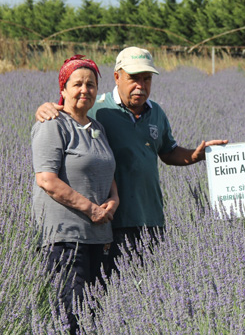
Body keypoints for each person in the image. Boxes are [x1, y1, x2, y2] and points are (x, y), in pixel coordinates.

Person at [36, 47, 227, 275]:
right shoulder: (97, 110)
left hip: (150, 218)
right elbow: (67, 113)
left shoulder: (155, 112)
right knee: (104, 294)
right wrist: (45, 108)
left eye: (146, 79)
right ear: (117, 76)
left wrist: (196, 155)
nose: (141, 85)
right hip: (111, 222)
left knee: (142, 293)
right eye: (133, 78)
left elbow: (168, 152)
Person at [32, 55, 119, 335]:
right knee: (70, 318)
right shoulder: (52, 124)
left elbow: (109, 173)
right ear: (64, 88)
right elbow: (46, 180)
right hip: (66, 239)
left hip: (99, 237)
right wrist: (92, 210)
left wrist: (114, 201)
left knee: (94, 317)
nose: (85, 90)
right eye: (77, 84)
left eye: (91, 84)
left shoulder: (97, 128)